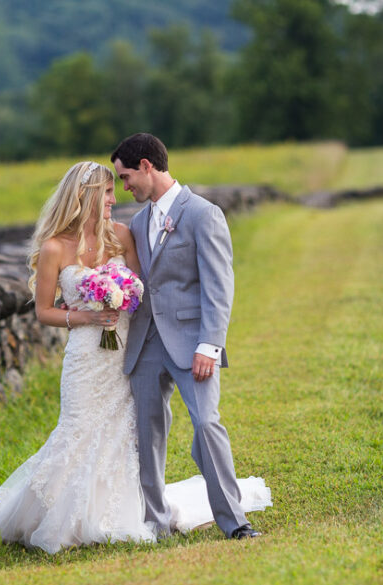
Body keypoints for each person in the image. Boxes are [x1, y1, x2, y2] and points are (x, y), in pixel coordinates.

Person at [0, 160, 269, 554]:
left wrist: (131, 300)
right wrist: (87, 315)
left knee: (129, 434)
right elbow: (44, 311)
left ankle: (139, 514)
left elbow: (148, 287)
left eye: (119, 186)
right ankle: (72, 515)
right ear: (85, 196)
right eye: (108, 192)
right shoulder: (54, 248)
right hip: (85, 356)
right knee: (80, 428)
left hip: (128, 349)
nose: (116, 198)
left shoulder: (122, 235)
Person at [111, 133, 262, 540]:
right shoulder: (138, 223)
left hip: (193, 343)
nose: (125, 187)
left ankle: (235, 522)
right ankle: (155, 524)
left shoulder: (202, 214)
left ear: (146, 166)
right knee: (147, 434)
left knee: (206, 424)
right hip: (145, 344)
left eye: (126, 177)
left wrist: (209, 345)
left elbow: (219, 285)